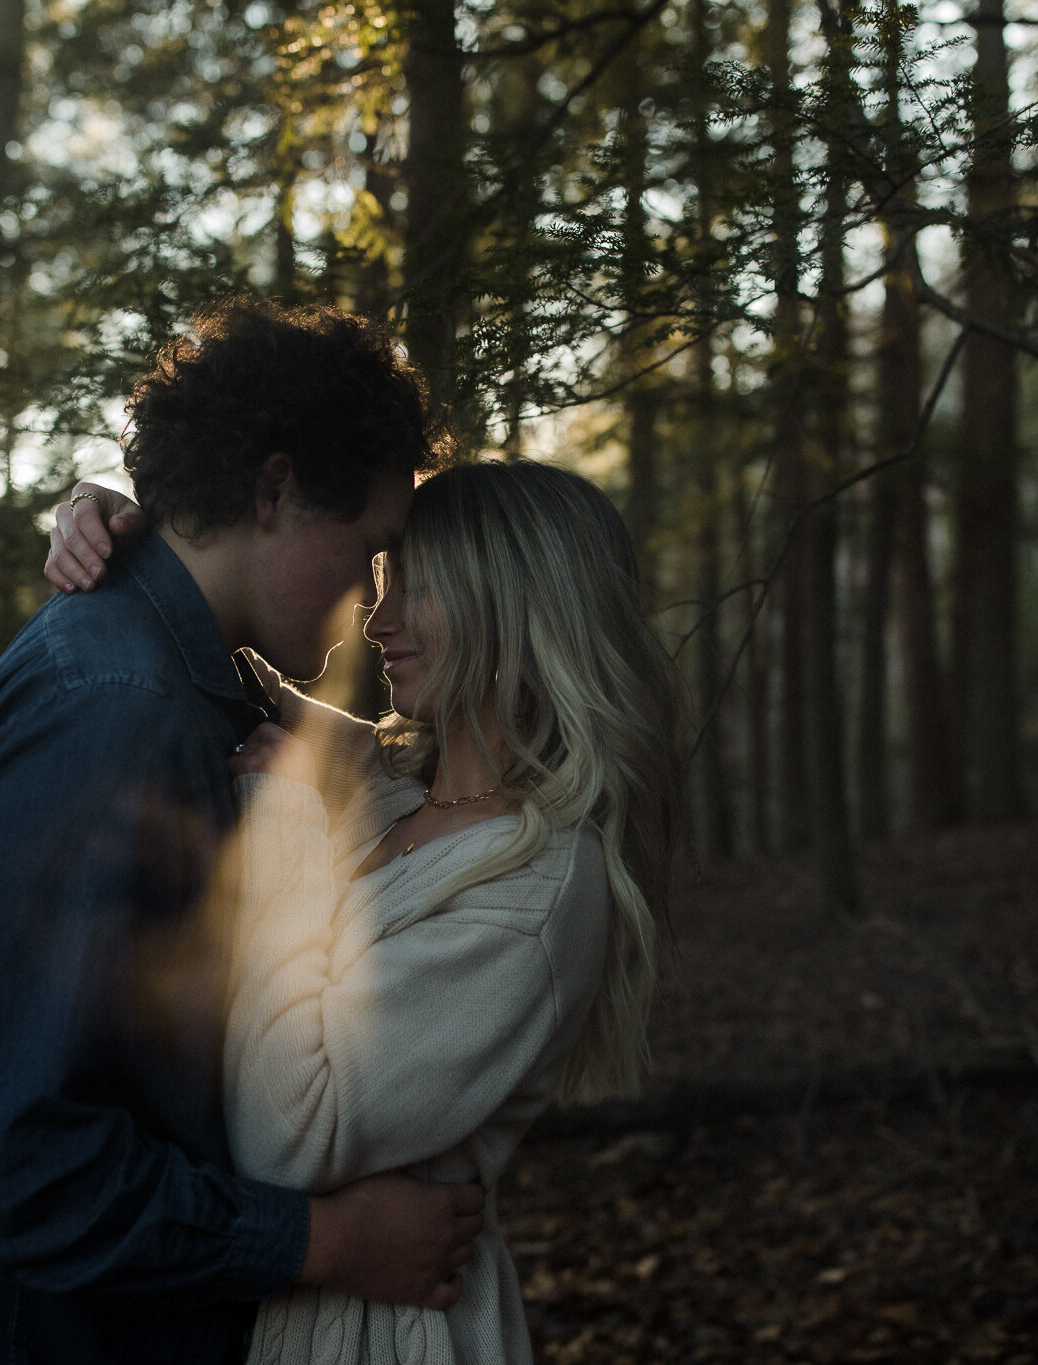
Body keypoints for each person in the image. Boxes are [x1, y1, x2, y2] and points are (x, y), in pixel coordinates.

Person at [0, 299, 485, 1365]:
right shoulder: (116, 708)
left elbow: (345, 753)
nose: (371, 594)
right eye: (370, 548)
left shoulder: (176, 674)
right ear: (275, 487)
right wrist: (322, 1240)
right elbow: (7, 1158)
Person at [48, 459, 684, 1364]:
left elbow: (288, 1136)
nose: (376, 622)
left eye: (415, 590)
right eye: (380, 584)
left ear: (518, 602)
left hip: (391, 1336)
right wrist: (108, 519)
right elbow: (213, 638)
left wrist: (293, 834)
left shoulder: (538, 891)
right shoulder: (386, 783)